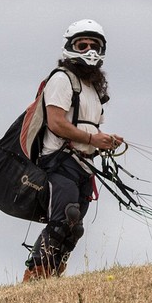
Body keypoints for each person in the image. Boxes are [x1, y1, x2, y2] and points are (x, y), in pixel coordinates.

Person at [23, 19, 125, 281]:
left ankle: (54, 273)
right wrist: (93, 139)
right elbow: (57, 123)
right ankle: (35, 272)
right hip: (58, 162)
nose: (89, 50)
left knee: (75, 226)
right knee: (63, 218)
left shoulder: (93, 89)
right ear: (70, 47)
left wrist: (106, 141)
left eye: (94, 45)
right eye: (83, 45)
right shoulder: (62, 79)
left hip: (83, 165)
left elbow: (89, 130)